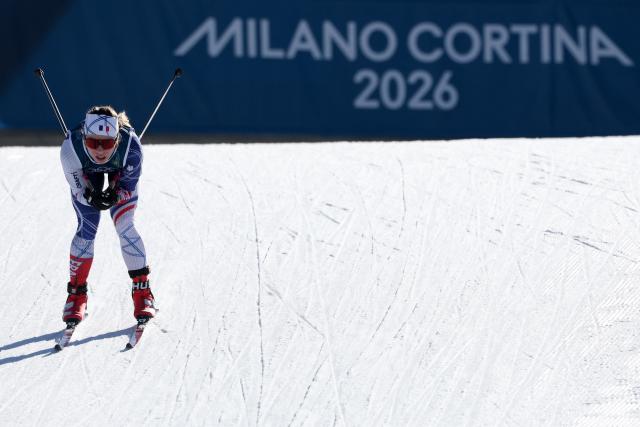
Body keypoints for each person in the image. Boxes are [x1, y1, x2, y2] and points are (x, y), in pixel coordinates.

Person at [59, 105, 156, 326]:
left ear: (117, 140)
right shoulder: (70, 149)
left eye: (107, 143)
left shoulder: (132, 149)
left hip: (119, 171)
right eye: (93, 143)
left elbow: (127, 187)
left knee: (124, 225)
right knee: (87, 229)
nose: (100, 150)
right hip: (86, 173)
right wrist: (90, 197)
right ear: (84, 138)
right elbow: (78, 190)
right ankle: (76, 295)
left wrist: (116, 193)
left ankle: (143, 293)